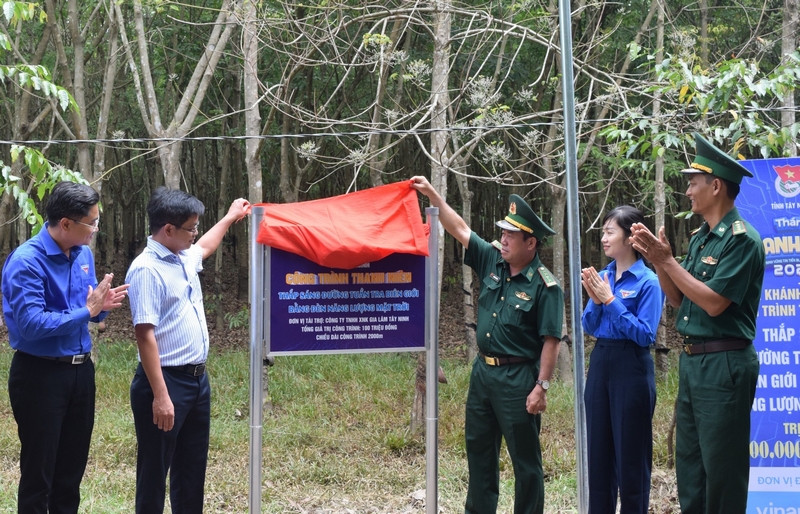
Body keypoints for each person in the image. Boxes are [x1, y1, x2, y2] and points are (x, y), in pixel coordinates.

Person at [410, 176, 564, 514]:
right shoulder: (493, 260)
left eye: (511, 235)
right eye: (503, 233)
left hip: (518, 380)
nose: (503, 239)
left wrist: (542, 386)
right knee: (479, 453)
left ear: (531, 243)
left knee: (526, 463)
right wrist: (432, 194)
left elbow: (551, 340)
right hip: (483, 375)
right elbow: (460, 228)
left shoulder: (545, 286)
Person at [629, 133, 764, 514]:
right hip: (693, 364)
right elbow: (678, 298)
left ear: (716, 185)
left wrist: (668, 262)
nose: (687, 190)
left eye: (693, 182)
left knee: (722, 472)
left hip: (724, 366)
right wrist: (658, 260)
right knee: (690, 468)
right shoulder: (701, 238)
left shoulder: (743, 240)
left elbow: (714, 303)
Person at [2, 181, 129, 513]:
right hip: (39, 375)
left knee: (70, 476)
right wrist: (87, 312)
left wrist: (101, 306)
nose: (96, 229)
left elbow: (85, 307)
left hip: (80, 373)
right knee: (38, 476)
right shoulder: (27, 262)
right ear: (66, 223)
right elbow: (31, 325)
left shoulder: (83, 253)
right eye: (92, 222)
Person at [125, 188, 249, 513]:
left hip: (196, 382)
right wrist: (161, 396)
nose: (195, 234)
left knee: (192, 470)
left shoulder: (182, 255)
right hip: (165, 383)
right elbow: (144, 335)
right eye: (191, 228)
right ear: (168, 229)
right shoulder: (147, 269)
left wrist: (231, 216)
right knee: (154, 473)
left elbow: (206, 246)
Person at [580, 205, 664, 514]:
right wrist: (595, 299)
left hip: (632, 368)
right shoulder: (603, 276)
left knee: (630, 458)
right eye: (603, 232)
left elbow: (644, 334)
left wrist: (611, 301)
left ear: (630, 238)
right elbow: (588, 326)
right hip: (601, 363)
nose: (603, 238)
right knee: (599, 457)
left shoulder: (648, 282)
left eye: (609, 232)